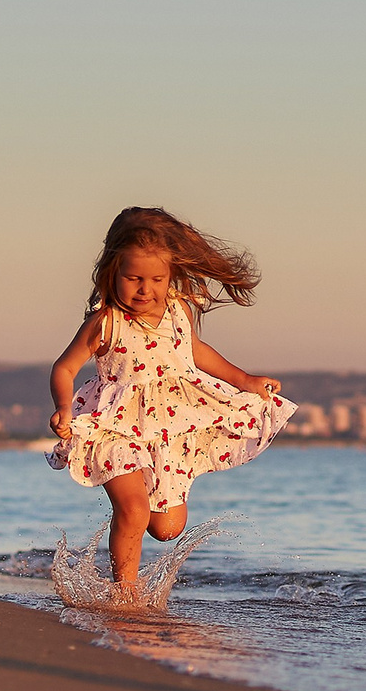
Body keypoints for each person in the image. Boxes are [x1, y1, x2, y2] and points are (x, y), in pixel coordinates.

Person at [47, 207, 296, 594]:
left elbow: (197, 352)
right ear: (112, 273)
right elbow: (64, 368)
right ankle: (124, 593)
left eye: (157, 279)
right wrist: (64, 406)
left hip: (169, 428)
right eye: (134, 278)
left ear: (170, 276)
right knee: (133, 510)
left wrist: (245, 380)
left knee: (166, 529)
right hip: (114, 429)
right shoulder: (106, 322)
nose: (146, 289)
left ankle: (151, 497)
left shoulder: (178, 312)